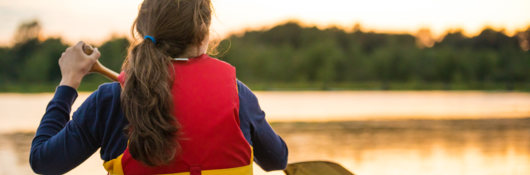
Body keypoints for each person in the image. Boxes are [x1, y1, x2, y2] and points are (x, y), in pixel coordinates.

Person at [29, 0, 288, 174]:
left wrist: (68, 82)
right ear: (204, 35)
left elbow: (43, 162)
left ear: (142, 32)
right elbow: (277, 160)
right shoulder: (237, 93)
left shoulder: (109, 100)